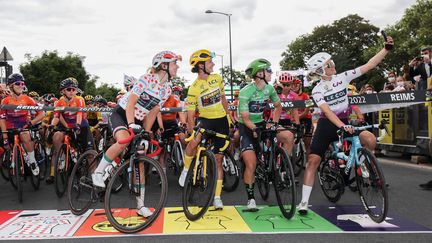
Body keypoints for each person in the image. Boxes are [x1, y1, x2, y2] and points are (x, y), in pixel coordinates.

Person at [298, 35, 394, 215]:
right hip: (328, 124)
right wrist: (341, 126)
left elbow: (369, 66)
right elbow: (326, 111)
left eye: (331, 61)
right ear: (321, 70)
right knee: (313, 161)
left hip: (345, 120)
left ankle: (363, 162)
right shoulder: (317, 90)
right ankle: (303, 202)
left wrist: (386, 49)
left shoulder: (343, 77)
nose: (333, 64)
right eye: (329, 63)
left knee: (369, 139)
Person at [91, 50, 181, 217]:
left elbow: (153, 111)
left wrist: (146, 132)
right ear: (164, 65)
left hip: (139, 120)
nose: (177, 67)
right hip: (122, 114)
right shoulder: (146, 79)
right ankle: (98, 172)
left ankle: (140, 205)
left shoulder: (167, 89)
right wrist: (131, 123)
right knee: (124, 140)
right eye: (174, 63)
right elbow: (131, 103)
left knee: (140, 160)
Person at [179, 49, 232, 210]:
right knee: (194, 141)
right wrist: (189, 128)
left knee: (218, 160)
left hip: (221, 120)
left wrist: (228, 116)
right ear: (200, 66)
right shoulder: (194, 87)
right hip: (205, 120)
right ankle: (186, 169)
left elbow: (223, 98)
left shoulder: (217, 78)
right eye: (210, 62)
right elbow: (189, 112)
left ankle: (217, 197)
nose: (213, 64)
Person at [238, 59, 292, 209]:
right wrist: (254, 129)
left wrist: (274, 123)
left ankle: (282, 170)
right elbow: (245, 118)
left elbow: (278, 106)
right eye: (268, 70)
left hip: (261, 121)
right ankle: (251, 198)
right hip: (246, 125)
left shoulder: (269, 89)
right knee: (251, 163)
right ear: (259, 74)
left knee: (288, 136)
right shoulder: (245, 91)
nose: (271, 73)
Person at [0, 73, 45, 176]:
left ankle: (32, 160)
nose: (21, 86)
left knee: (25, 136)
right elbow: (2, 120)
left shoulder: (28, 99)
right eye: (18, 84)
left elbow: (42, 113)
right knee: (5, 144)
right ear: (11, 86)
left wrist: (32, 123)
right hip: (9, 127)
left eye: (22, 83)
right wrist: (5, 136)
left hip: (23, 126)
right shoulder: (5, 101)